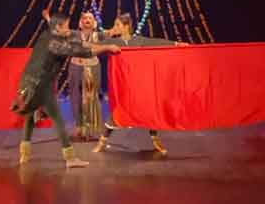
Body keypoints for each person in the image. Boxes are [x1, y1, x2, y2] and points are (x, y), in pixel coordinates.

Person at [10, 12, 121, 168]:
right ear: (58, 27)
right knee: (57, 119)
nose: (69, 29)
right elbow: (82, 51)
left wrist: (50, 20)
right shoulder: (56, 45)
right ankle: (70, 158)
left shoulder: (47, 34)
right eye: (66, 26)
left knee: (30, 116)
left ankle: (24, 154)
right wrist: (108, 47)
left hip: (27, 82)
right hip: (40, 85)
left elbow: (78, 42)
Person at [92, 13, 188, 156]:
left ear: (126, 26)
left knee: (149, 112)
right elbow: (93, 47)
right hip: (123, 85)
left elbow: (156, 42)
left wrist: (176, 44)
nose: (115, 27)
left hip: (139, 83)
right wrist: (107, 43)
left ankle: (156, 141)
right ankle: (102, 142)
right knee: (117, 113)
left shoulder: (139, 40)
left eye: (118, 24)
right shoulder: (114, 42)